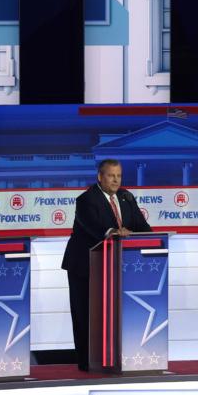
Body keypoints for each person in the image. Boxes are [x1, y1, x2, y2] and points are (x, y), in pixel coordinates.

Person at [61, 158, 152, 371]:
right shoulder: (85, 200)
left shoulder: (127, 197)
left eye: (119, 175)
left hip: (115, 266)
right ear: (100, 177)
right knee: (85, 314)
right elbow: (94, 227)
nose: (116, 180)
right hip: (85, 265)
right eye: (111, 175)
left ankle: (114, 357)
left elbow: (143, 227)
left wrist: (142, 235)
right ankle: (86, 362)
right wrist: (113, 232)